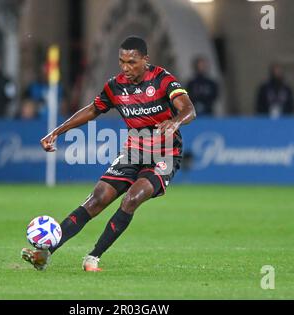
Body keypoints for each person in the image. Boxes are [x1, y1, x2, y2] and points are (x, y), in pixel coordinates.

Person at [21, 36, 196, 272]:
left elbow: (189, 109)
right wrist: (57, 132)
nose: (126, 67)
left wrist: (175, 122)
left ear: (146, 60)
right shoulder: (115, 86)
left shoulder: (163, 80)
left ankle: (93, 257)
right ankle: (44, 254)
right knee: (97, 199)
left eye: (132, 62)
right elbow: (93, 110)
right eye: (122, 61)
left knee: (132, 198)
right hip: (133, 152)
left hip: (165, 155)